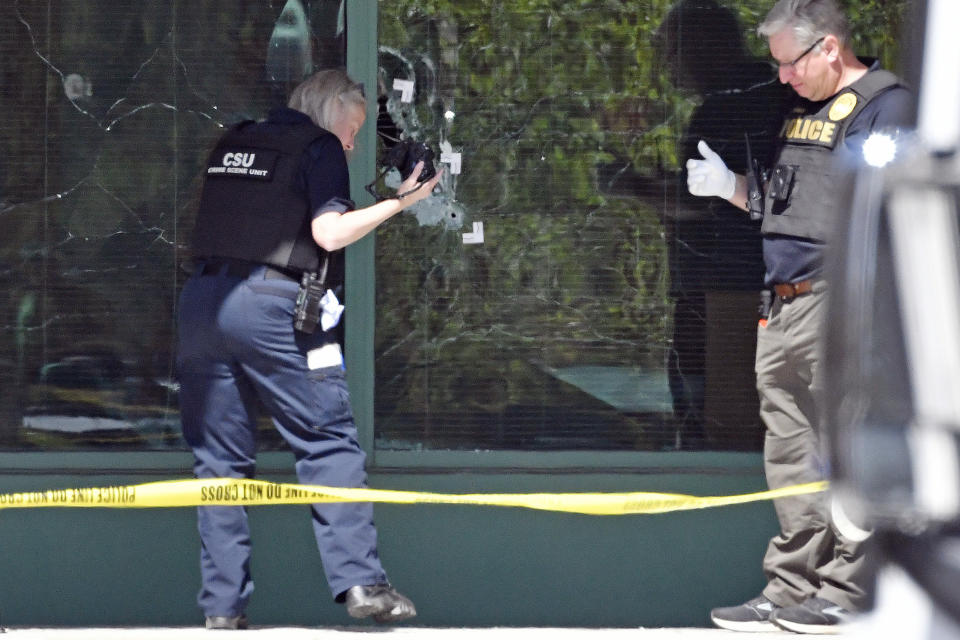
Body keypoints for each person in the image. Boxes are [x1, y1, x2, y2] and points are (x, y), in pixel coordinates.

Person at [176, 68, 442, 630]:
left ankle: (223, 611)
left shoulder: (233, 140)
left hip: (202, 304)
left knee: (219, 465)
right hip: (272, 306)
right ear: (329, 109)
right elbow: (329, 234)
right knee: (327, 443)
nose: (351, 143)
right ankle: (362, 583)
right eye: (352, 129)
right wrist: (402, 201)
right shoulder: (317, 145)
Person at [684, 0, 912, 634]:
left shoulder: (885, 108)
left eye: (788, 63)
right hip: (780, 304)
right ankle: (792, 587)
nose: (780, 77)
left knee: (847, 451)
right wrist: (730, 186)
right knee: (792, 456)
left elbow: (884, 215)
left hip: (841, 304)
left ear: (830, 49)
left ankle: (849, 588)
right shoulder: (805, 111)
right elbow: (787, 206)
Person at [655, 0, 788, 450]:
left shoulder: (726, 106)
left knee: (716, 434)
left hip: (729, 294)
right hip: (761, 288)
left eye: (672, 52)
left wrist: (632, 188)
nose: (666, 67)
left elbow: (702, 203)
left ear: (705, 47)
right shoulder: (775, 94)